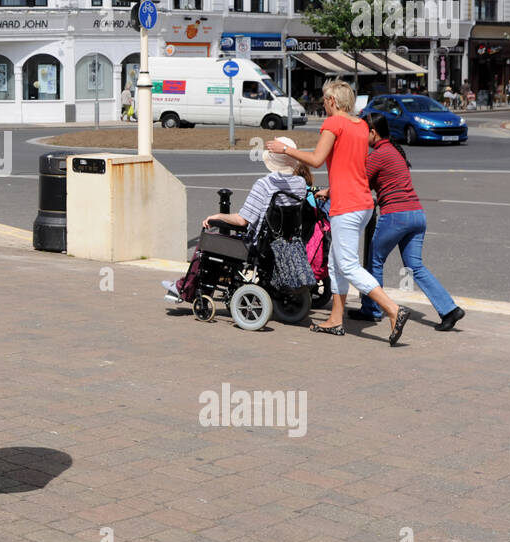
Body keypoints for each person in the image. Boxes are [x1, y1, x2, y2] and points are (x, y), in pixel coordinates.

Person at [266, 79, 412, 344]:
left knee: (347, 265)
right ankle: (335, 319)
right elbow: (352, 166)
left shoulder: (333, 123)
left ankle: (393, 309)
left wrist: (284, 149)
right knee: (335, 264)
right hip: (363, 203)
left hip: (347, 206)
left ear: (333, 101)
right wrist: (331, 190)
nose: (323, 104)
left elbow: (317, 160)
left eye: (324, 99)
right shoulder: (361, 125)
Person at [349, 114, 465, 331]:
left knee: (374, 261)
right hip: (417, 215)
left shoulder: (377, 156)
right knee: (415, 266)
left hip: (396, 216)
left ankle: (371, 309)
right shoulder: (393, 152)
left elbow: (357, 182)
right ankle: (449, 309)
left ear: (373, 133)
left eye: (364, 133)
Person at [163, 137, 312, 299]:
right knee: (220, 242)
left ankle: (185, 289)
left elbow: (242, 221)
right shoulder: (300, 184)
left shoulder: (264, 184)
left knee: (208, 242)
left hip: (257, 247)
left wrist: (217, 216)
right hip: (283, 244)